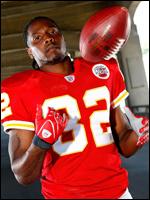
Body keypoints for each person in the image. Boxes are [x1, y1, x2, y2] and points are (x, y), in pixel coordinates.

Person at [1, 16, 149, 199]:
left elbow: (125, 145)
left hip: (117, 192)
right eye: (37, 38)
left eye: (52, 31)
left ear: (63, 38)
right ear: (30, 51)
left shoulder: (104, 69)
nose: (48, 38)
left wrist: (138, 135)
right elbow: (23, 175)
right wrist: (41, 142)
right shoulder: (18, 89)